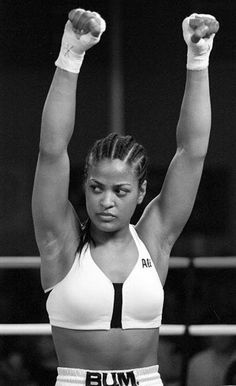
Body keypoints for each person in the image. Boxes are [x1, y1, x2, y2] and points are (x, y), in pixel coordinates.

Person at [32, 8, 219, 386]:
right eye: (96, 188)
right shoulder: (61, 243)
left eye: (120, 191)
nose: (106, 202)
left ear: (142, 192)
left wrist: (199, 58)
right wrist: (71, 54)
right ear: (84, 186)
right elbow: (52, 150)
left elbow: (192, 153)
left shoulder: (155, 238)